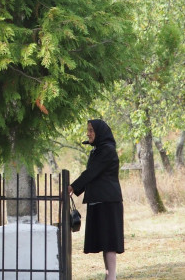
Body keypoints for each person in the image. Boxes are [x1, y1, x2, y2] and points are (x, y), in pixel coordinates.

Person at [68, 119, 124, 280]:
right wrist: (76, 188)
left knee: (110, 242)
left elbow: (92, 172)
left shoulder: (107, 150)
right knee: (104, 241)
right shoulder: (98, 150)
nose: (88, 133)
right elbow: (92, 174)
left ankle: (111, 277)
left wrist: (73, 187)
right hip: (100, 201)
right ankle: (109, 275)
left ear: (100, 132)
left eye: (91, 130)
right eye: (88, 130)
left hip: (108, 202)